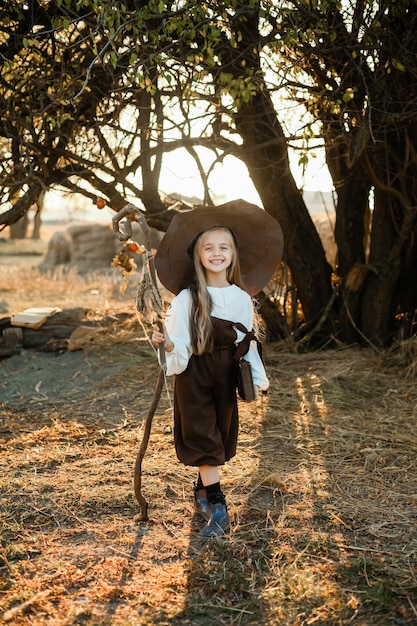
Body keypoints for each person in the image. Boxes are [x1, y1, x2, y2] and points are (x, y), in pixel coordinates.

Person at [152, 200, 283, 538]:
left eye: (223, 247)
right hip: (194, 374)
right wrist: (167, 344)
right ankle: (219, 507)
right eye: (208, 247)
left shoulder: (241, 297)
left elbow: (246, 341)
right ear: (197, 255)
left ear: (233, 254)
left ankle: (201, 491)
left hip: (225, 374)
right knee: (203, 436)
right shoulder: (186, 299)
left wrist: (256, 375)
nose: (216, 253)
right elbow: (177, 344)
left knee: (219, 435)